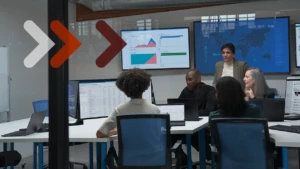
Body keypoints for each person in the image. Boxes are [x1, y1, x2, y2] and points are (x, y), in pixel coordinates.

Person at [96, 68, 160, 138]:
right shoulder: (155, 110)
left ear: (123, 89)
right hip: (152, 149)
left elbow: (100, 134)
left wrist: (119, 130)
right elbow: (157, 131)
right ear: (145, 86)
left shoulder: (119, 110)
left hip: (129, 149)